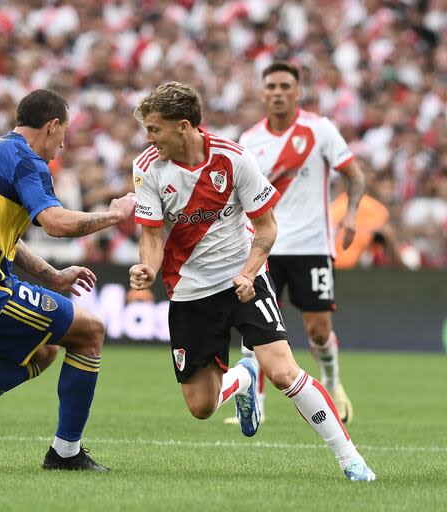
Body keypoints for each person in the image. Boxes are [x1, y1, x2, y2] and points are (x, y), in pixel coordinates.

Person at [128, 81, 375, 481]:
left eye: (155, 129)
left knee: (283, 371)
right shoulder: (146, 168)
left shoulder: (234, 159)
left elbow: (266, 228)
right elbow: (152, 236)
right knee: (201, 407)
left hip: (244, 280)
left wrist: (248, 271)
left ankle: (351, 459)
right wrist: (148, 270)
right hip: (189, 291)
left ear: (184, 126)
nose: (148, 138)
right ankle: (244, 378)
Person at [0, 89, 136, 470]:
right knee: (90, 332)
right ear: (52, 126)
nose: (62, 144)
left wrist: (51, 275)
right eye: (63, 133)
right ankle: (66, 453)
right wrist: (113, 215)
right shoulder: (26, 161)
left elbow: (0, 236)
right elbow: (54, 223)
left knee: (43, 349)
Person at [231, 61, 366, 424]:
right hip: (264, 246)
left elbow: (355, 177)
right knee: (254, 327)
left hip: (312, 246)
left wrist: (351, 214)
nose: (277, 93)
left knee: (318, 330)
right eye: (271, 86)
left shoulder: (319, 129)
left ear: (297, 91)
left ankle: (333, 382)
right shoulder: (249, 140)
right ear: (262, 93)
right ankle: (253, 401)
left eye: (284, 86)